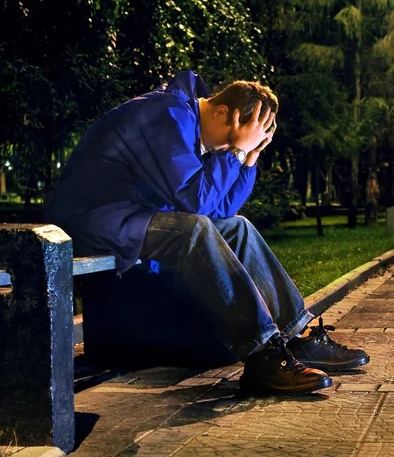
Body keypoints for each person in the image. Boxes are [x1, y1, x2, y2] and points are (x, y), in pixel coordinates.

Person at [47, 70, 369, 395]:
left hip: (132, 217)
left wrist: (249, 158)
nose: (230, 147)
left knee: (238, 228)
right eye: (233, 137)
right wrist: (237, 152)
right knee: (193, 231)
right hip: (92, 222)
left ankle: (294, 337)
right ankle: (262, 354)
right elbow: (197, 203)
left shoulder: (188, 125)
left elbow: (220, 211)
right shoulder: (167, 114)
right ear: (219, 111)